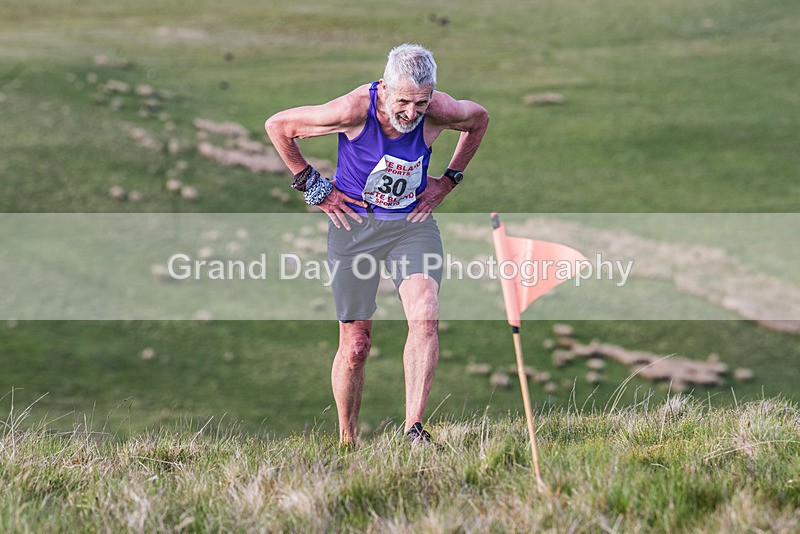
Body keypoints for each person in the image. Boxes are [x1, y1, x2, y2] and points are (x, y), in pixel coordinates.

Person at [265, 43, 489, 446]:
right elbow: (278, 126)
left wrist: (449, 180)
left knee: (426, 311)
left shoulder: (439, 110)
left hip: (410, 226)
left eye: (420, 104)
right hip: (354, 227)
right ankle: (348, 441)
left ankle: (414, 431)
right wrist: (315, 187)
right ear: (384, 89)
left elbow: (479, 120)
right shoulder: (353, 110)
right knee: (356, 346)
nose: (410, 113)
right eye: (403, 101)